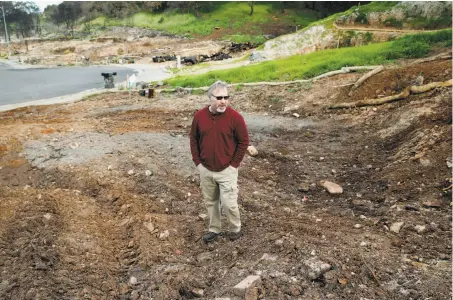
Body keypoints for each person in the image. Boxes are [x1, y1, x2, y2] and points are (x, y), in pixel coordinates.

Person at [190, 80, 249, 243]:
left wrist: (233, 165)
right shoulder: (199, 116)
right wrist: (198, 164)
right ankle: (214, 229)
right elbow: (193, 139)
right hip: (206, 169)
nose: (223, 101)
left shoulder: (235, 118)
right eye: (219, 97)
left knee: (229, 203)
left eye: (226, 97)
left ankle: (235, 228)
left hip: (226, 170)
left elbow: (244, 141)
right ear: (210, 98)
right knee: (211, 202)